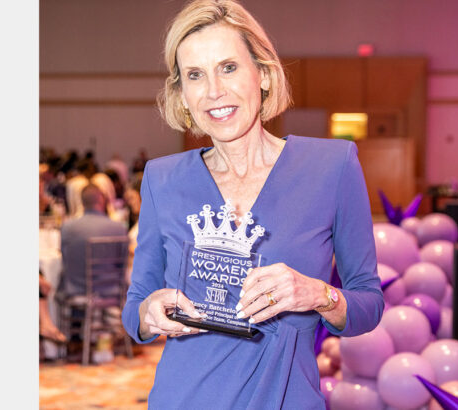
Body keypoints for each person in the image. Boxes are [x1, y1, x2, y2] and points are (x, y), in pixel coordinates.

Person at [121, 1, 383, 408]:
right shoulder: (162, 178)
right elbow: (136, 306)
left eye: (228, 67)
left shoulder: (332, 167)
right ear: (182, 94)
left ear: (263, 74)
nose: (213, 91)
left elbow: (369, 303)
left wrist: (318, 294)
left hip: (286, 398)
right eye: (195, 75)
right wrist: (148, 313)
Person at [57, 184, 128, 298]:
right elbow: (123, 265)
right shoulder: (119, 228)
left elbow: (65, 261)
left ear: (82, 202)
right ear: (101, 200)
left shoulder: (67, 228)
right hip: (111, 291)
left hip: (76, 291)